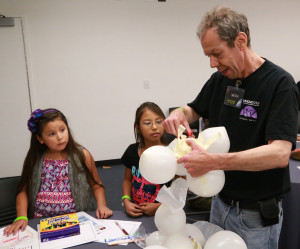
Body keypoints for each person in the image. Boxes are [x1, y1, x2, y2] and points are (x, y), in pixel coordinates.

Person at [163, 6, 298, 249]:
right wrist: (179, 113)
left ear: (240, 40)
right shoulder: (222, 79)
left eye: (217, 53)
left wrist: (213, 161)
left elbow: (279, 154)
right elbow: (195, 108)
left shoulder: (280, 84)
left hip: (255, 216)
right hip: (220, 203)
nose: (213, 63)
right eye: (208, 56)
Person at [4, 108, 112, 236]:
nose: (60, 137)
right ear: (40, 138)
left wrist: (102, 205)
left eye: (62, 130)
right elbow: (23, 190)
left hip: (77, 219)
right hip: (41, 221)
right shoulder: (34, 158)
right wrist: (21, 217)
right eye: (51, 134)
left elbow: (96, 185)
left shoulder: (82, 155)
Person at [121, 102, 169, 217]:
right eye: (147, 123)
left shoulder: (171, 153)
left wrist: (160, 207)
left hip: (164, 214)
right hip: (136, 211)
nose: (154, 127)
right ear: (138, 127)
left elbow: (180, 191)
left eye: (159, 122)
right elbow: (127, 180)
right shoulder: (132, 151)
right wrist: (126, 201)